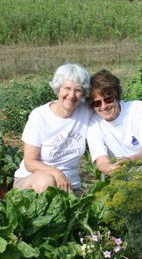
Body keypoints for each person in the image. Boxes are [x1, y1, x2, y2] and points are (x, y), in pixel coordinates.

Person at [13, 63, 93, 193]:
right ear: (58, 89)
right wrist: (56, 173)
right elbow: (30, 162)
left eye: (78, 90)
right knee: (47, 181)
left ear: (83, 93)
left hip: (70, 186)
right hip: (31, 181)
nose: (72, 95)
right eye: (67, 88)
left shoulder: (86, 111)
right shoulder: (40, 116)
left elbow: (107, 103)